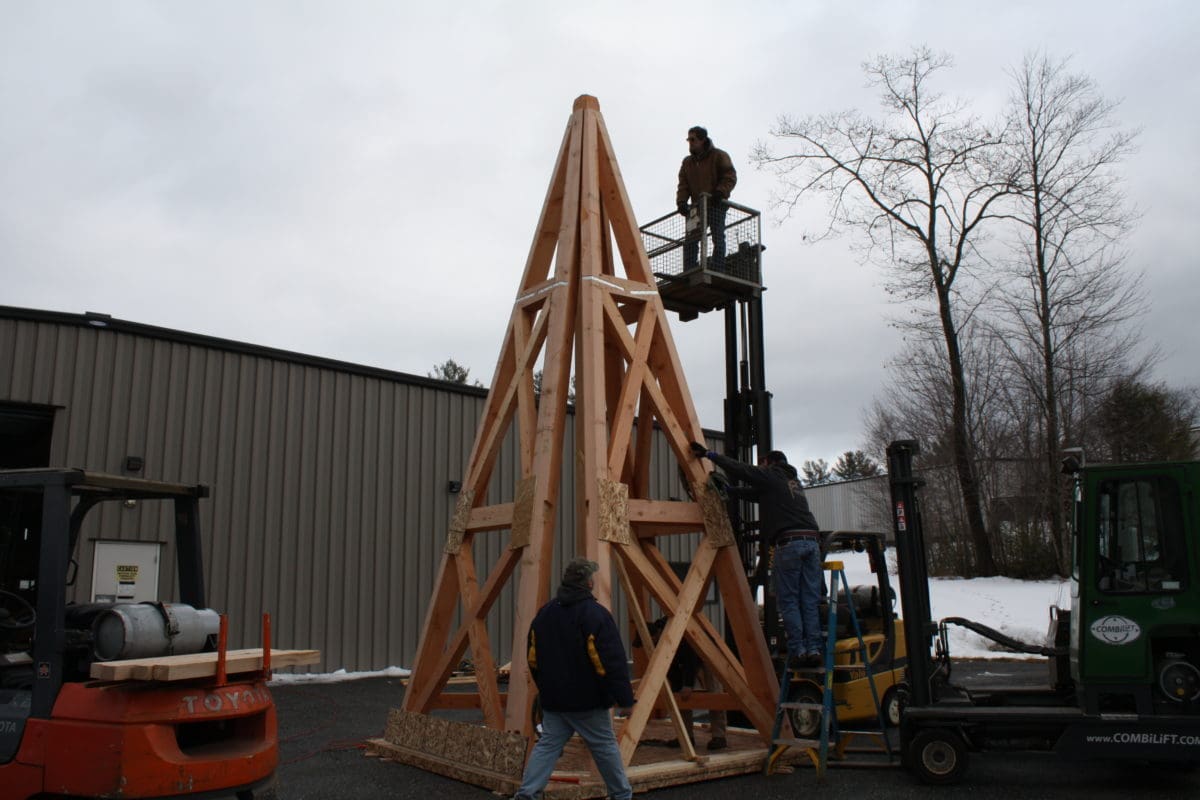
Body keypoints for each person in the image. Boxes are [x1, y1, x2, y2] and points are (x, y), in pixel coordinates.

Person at [689, 442, 824, 668]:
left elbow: (741, 470)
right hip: (812, 542)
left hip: (789, 544)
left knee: (789, 600)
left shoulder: (770, 475)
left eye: (762, 464)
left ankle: (799, 652)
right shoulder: (793, 483)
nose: (760, 467)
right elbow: (757, 495)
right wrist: (730, 492)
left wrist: (710, 454)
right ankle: (813, 649)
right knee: (808, 600)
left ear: (769, 463)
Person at [513, 558, 634, 800]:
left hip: (555, 701)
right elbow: (609, 661)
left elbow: (533, 658)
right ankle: (621, 795)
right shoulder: (595, 615)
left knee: (547, 746)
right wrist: (624, 698)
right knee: (604, 746)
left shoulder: (545, 614)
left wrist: (546, 688)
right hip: (587, 701)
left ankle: (526, 795)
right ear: (588, 582)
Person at [637, 616, 728, 751]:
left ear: (654, 635)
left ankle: (719, 736)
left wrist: (688, 685)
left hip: (707, 653)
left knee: (714, 692)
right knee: (680, 697)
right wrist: (678, 688)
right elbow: (671, 666)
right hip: (689, 658)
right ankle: (686, 737)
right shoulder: (659, 640)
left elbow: (689, 658)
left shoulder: (676, 628)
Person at [676, 125, 737, 271]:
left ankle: (718, 267)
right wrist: (682, 202)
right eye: (688, 140)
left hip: (716, 204)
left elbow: (730, 177)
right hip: (696, 208)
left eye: (693, 139)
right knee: (690, 240)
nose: (690, 143)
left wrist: (720, 192)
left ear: (702, 140)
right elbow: (683, 185)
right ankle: (690, 270)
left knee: (717, 237)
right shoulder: (687, 162)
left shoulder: (719, 155)